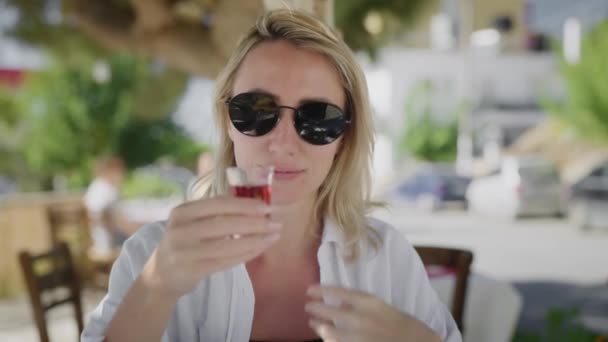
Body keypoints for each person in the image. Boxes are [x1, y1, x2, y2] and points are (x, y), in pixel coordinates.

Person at [82, 9, 461, 342]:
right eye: (256, 111)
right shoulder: (151, 255)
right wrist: (157, 289)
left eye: (318, 119)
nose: (282, 143)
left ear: (344, 138)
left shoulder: (387, 258)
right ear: (227, 122)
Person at [83, 156, 130, 256]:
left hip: (112, 238)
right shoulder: (101, 189)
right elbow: (99, 215)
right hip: (107, 243)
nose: (123, 174)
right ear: (109, 170)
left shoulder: (107, 187)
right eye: (120, 170)